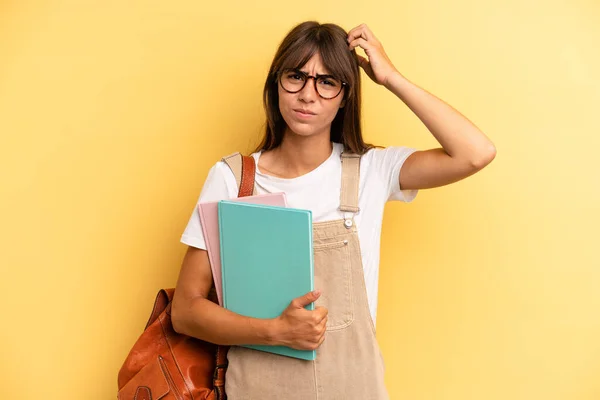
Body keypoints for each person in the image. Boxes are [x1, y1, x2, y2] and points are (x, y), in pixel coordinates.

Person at [171, 21, 496, 399]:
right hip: (259, 388)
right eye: (296, 76)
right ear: (275, 84)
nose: (308, 94)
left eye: (327, 82)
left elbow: (476, 153)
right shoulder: (234, 179)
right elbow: (186, 310)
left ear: (345, 95)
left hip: (354, 387)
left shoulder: (372, 171)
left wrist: (390, 77)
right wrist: (276, 331)